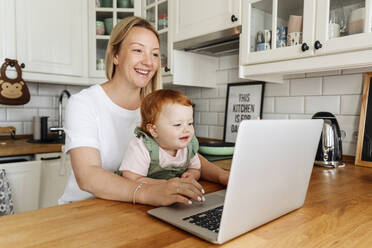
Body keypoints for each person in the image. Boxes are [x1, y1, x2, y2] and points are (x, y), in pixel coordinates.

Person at [59, 16, 229, 206]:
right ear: (115, 55)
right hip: (83, 210)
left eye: (155, 54)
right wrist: (147, 192)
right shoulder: (84, 103)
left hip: (128, 209)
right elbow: (88, 175)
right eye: (138, 50)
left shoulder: (156, 108)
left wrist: (223, 176)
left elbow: (187, 154)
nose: (148, 62)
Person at [120, 90, 202, 194]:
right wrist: (165, 184)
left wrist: (191, 175)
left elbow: (196, 169)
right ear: (154, 130)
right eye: (177, 125)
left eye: (190, 123)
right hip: (139, 196)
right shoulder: (142, 147)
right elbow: (131, 179)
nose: (187, 130)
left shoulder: (189, 146)